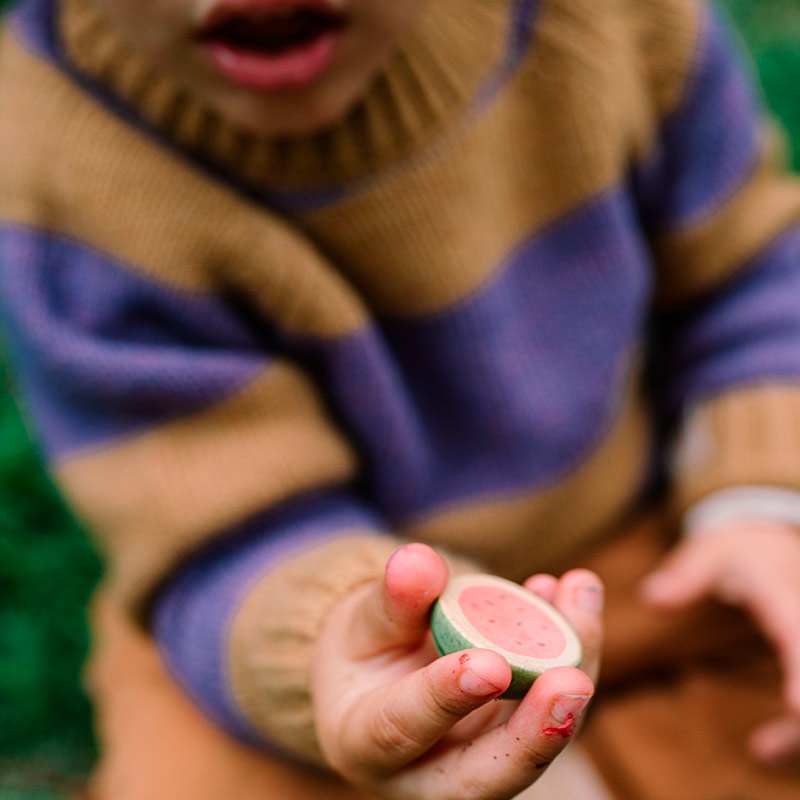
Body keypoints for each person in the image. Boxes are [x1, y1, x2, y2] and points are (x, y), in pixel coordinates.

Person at [1, 0, 800, 797]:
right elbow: (221, 531)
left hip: (639, 546)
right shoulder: (59, 159)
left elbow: (749, 273)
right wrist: (323, 645)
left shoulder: (618, 22)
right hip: (299, 604)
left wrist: (757, 497)